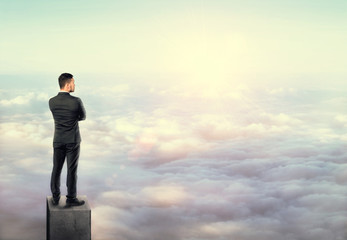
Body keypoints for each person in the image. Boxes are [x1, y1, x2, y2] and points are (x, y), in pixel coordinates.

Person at [49, 73, 86, 206]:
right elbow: (83, 117)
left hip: (58, 139)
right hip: (72, 140)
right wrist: (74, 118)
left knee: (56, 168)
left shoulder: (52, 101)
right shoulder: (76, 101)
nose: (75, 85)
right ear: (68, 83)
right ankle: (71, 198)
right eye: (74, 83)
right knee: (72, 170)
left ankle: (55, 197)